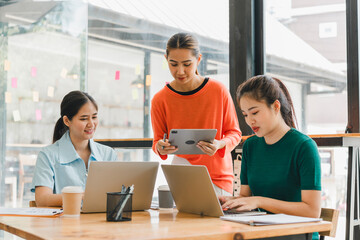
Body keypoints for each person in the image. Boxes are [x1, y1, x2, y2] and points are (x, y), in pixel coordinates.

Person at [219, 75, 321, 239]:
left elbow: (312, 211)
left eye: (255, 112)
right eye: (245, 115)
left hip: (296, 233)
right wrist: (229, 202)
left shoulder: (304, 146)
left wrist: (259, 201)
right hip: (261, 232)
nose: (250, 121)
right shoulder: (250, 146)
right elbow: (245, 197)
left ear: (275, 106)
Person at [151, 32, 242, 196]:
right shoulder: (160, 99)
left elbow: (235, 133)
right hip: (181, 173)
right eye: (173, 64)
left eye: (187, 64)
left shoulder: (218, 91)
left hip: (218, 177)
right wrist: (160, 147)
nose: (180, 71)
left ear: (198, 59)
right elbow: (157, 141)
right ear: (166, 60)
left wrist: (220, 144)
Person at [31, 91, 118, 207]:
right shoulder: (47, 155)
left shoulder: (108, 154)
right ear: (67, 121)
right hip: (64, 223)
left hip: (100, 222)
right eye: (84, 119)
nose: (91, 124)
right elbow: (43, 200)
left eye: (94, 117)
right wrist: (82, 196)